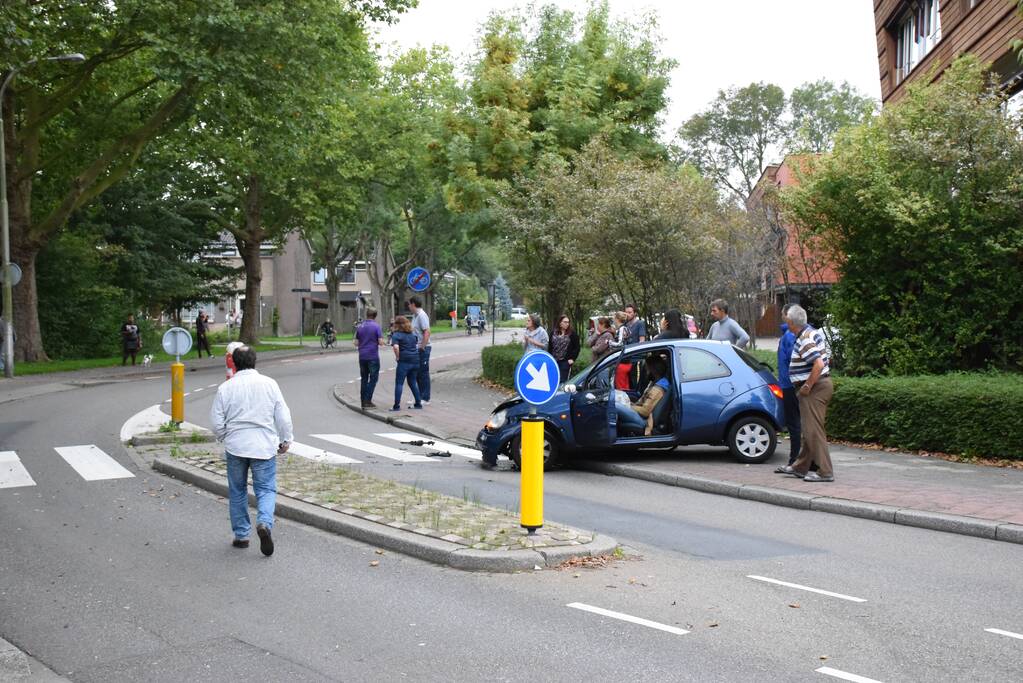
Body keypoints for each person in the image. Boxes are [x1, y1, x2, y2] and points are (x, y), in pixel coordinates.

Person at [210, 345, 293, 556]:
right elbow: (282, 416)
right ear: (255, 361)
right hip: (263, 445)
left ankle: (241, 535)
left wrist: (224, 437)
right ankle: (264, 522)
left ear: (235, 364)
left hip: (236, 445)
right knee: (265, 489)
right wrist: (285, 440)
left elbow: (217, 421)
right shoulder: (270, 384)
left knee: (237, 490)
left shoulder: (225, 388)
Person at [777, 305, 835, 483]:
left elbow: (818, 364)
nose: (786, 323)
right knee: (810, 430)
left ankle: (825, 471)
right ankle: (800, 467)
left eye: (787, 320)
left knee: (813, 431)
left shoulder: (805, 339)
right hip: (819, 386)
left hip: (814, 388)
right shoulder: (811, 332)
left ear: (792, 323)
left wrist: (808, 386)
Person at [773, 305, 802, 469]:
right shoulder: (789, 334)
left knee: (794, 424)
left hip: (791, 384)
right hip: (792, 383)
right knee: (799, 423)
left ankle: (795, 461)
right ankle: (801, 461)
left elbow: (793, 358)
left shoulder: (790, 335)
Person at [615, 355, 670, 436]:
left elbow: (645, 411)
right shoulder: (655, 382)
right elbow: (642, 403)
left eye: (647, 369)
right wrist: (630, 404)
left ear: (653, 370)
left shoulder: (658, 388)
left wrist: (627, 406)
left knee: (614, 405)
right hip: (641, 415)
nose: (646, 371)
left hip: (645, 420)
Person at [390, 316, 423, 411]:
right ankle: (418, 403)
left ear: (397, 325)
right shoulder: (413, 334)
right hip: (415, 360)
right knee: (413, 382)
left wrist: (397, 357)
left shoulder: (396, 335)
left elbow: (396, 347)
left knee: (399, 383)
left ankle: (396, 406)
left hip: (404, 361)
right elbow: (415, 345)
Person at [354, 308, 384, 408]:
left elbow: (356, 343)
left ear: (367, 315)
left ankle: (363, 401)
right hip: (372, 356)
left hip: (362, 356)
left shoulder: (360, 326)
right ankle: (368, 400)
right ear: (375, 316)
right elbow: (380, 342)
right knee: (374, 378)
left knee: (364, 378)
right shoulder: (376, 326)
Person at [407, 297, 432, 406]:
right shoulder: (415, 316)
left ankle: (425, 398)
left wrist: (423, 346)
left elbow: (427, 331)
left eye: (409, 304)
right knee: (417, 373)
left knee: (423, 373)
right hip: (416, 348)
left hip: (423, 348)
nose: (408, 306)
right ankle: (418, 396)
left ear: (413, 304)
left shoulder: (422, 315)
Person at [548, 314, 580, 383]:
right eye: (565, 322)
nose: (567, 324)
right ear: (560, 323)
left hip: (565, 361)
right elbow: (550, 347)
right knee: (553, 380)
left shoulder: (572, 334)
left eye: (568, 322)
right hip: (554, 360)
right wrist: (549, 358)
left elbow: (577, 347)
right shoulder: (553, 333)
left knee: (562, 381)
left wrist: (572, 358)